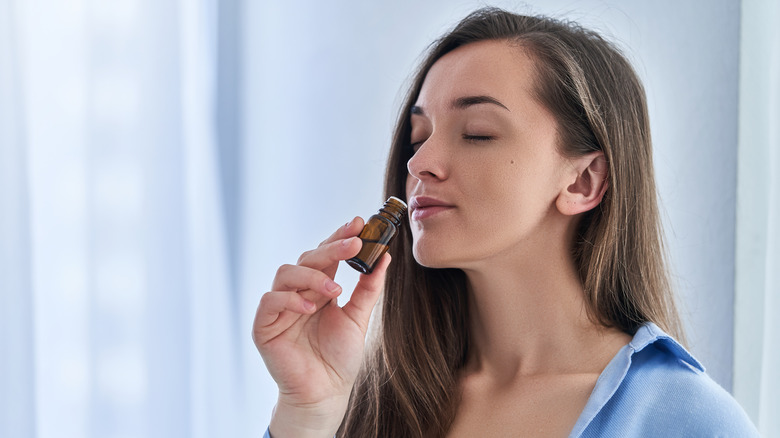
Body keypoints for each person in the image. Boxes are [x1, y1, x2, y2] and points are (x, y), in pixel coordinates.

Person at [252, 7, 759, 437]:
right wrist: (306, 414)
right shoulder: (371, 404)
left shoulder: (684, 419)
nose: (418, 163)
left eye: (476, 133)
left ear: (583, 182)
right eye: (417, 137)